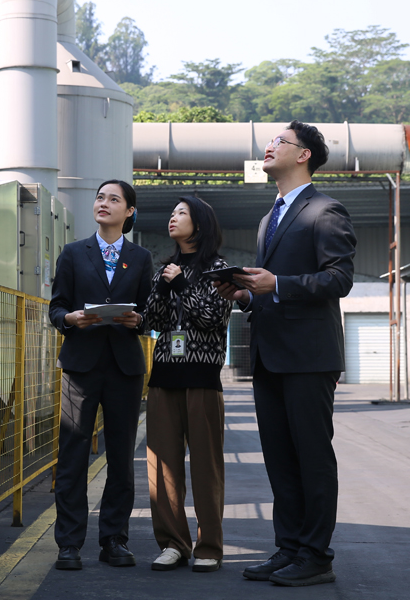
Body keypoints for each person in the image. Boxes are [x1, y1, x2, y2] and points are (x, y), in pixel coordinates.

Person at [215, 121, 356, 587]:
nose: (268, 146)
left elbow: (339, 279)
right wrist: (246, 294)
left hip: (309, 356)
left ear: (303, 155)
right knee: (279, 459)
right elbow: (269, 291)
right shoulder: (269, 217)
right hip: (269, 354)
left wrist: (278, 283)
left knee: (312, 457)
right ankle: (289, 548)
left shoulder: (325, 210)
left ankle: (316, 555)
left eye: (279, 141)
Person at [48, 180, 154, 571]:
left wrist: (138, 320)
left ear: (129, 211)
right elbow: (56, 308)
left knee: (122, 457)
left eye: (114, 199)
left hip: (125, 368)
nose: (103, 203)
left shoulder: (141, 257)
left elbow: (150, 313)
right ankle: (69, 543)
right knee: (73, 454)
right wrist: (71, 318)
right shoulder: (74, 253)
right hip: (81, 365)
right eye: (99, 197)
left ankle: (114, 540)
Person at [142, 196, 233, 573]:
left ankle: (209, 546)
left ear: (201, 223)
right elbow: (152, 320)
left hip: (202, 378)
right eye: (172, 212)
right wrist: (164, 289)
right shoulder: (165, 269)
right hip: (164, 376)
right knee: (161, 468)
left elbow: (213, 317)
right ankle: (173, 543)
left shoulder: (219, 269)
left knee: (206, 467)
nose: (172, 218)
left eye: (181, 213)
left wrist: (181, 286)